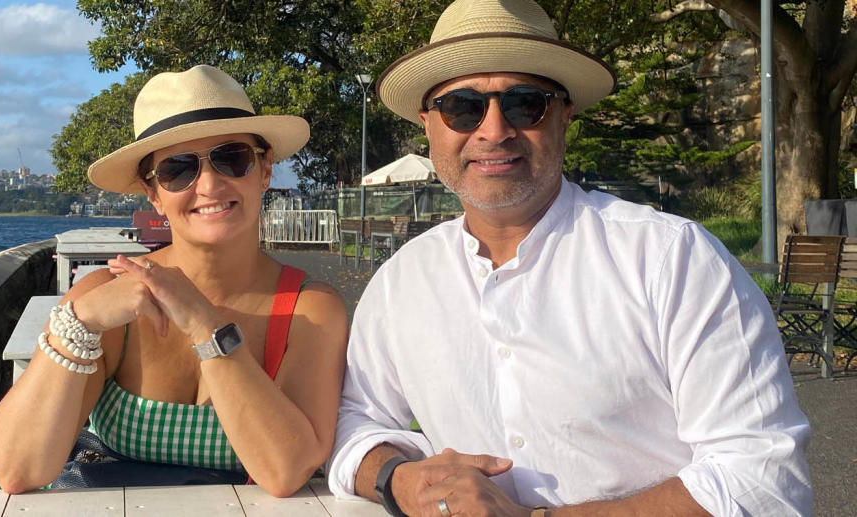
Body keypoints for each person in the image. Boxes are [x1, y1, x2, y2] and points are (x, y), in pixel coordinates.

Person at [327, 1, 812, 516]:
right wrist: (397, 479)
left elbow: (764, 480)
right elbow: (355, 419)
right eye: (463, 107)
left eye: (524, 104)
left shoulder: (671, 259)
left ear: (564, 114)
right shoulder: (404, 281)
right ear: (430, 125)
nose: (493, 130)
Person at [0, 65, 348, 496]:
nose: (211, 184)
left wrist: (204, 325)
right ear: (153, 192)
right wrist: (78, 320)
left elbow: (285, 471)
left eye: (232, 157)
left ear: (264, 170)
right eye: (178, 169)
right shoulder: (106, 300)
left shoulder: (309, 311)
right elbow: (17, 469)